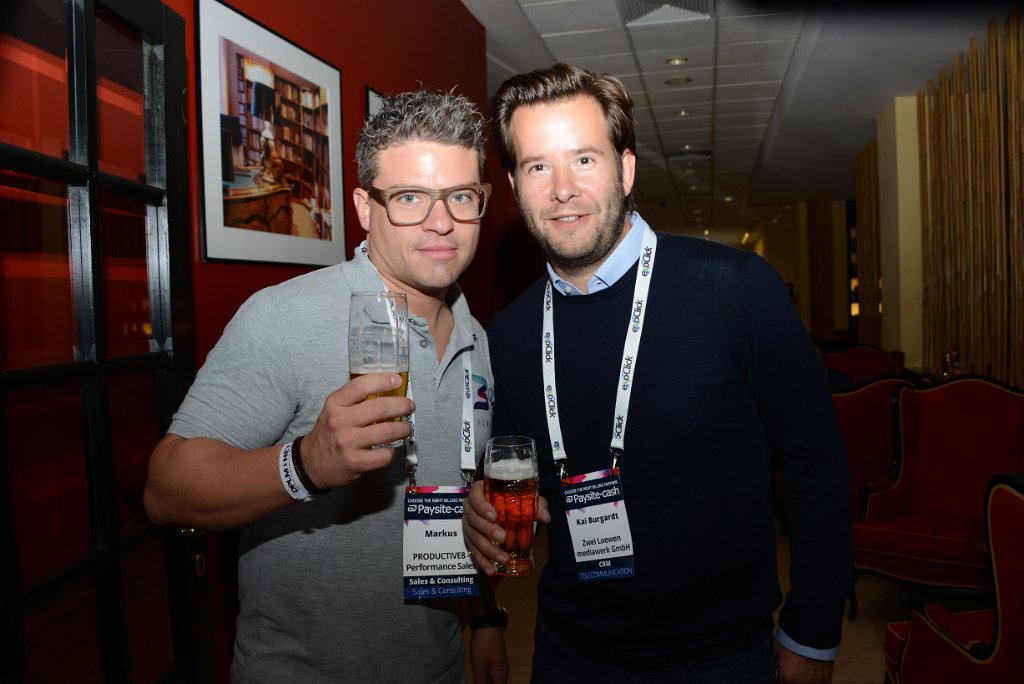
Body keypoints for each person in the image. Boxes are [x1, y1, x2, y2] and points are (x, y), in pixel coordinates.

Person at [462, 63, 852, 684]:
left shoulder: (735, 288)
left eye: (583, 159)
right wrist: (483, 511)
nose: (562, 189)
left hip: (720, 658)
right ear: (514, 186)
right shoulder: (507, 335)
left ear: (625, 169)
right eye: (538, 167)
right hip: (567, 653)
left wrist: (813, 632)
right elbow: (512, 485)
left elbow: (817, 464)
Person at [145, 89, 509, 684]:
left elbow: (454, 496)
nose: (442, 222)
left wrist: (487, 618)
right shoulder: (282, 317)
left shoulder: (478, 338)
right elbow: (165, 488)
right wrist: (304, 464)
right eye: (410, 197)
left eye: (461, 196)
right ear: (365, 207)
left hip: (440, 666)